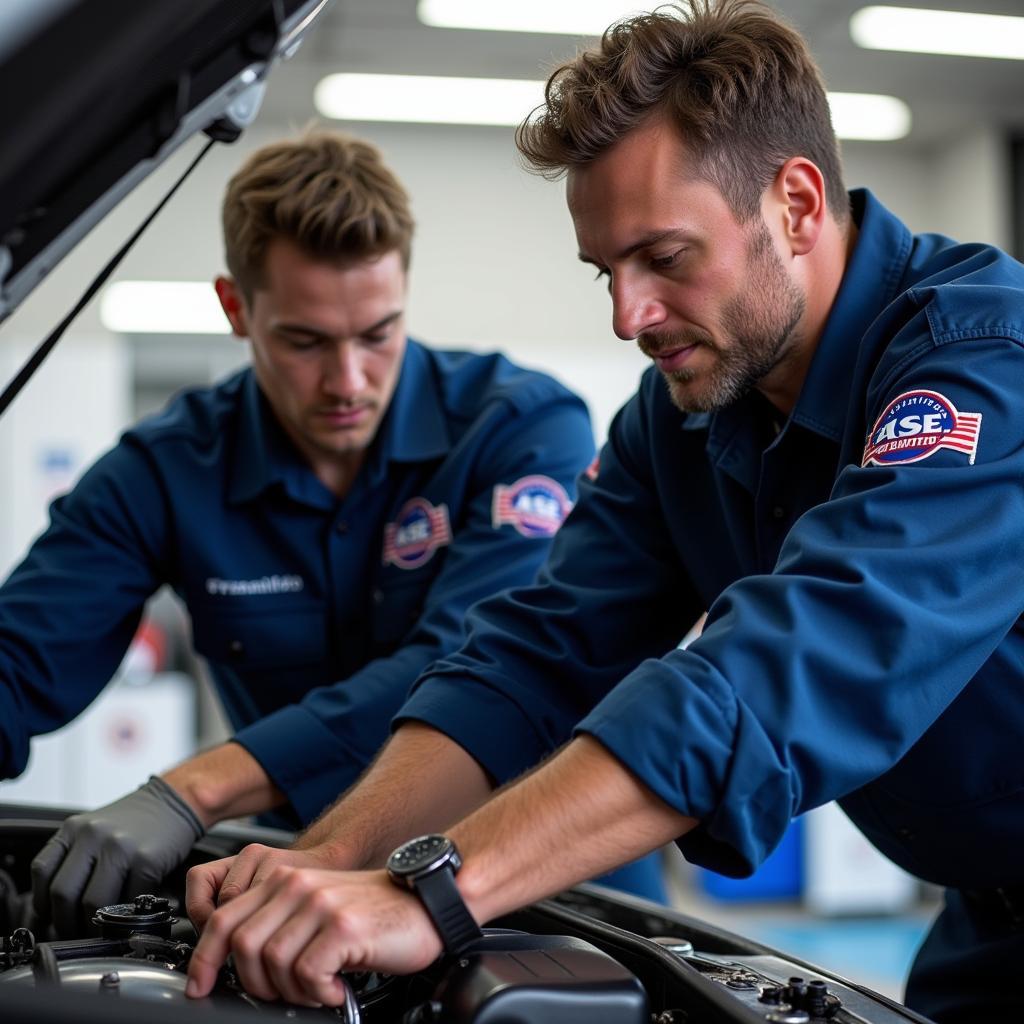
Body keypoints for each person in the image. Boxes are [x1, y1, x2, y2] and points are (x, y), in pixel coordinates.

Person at [182, 4, 1024, 1021]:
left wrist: (434, 894)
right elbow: (532, 656)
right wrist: (317, 868)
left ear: (795, 203)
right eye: (606, 272)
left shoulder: (979, 361)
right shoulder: (679, 421)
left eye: (664, 258)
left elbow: (807, 651)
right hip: (989, 922)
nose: (628, 316)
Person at [4, 129, 620, 936]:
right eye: (305, 342)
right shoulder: (167, 471)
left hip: (541, 890)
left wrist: (191, 790)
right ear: (236, 309)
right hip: (301, 882)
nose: (348, 381)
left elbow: (469, 664)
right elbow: (18, 662)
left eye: (377, 334)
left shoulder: (520, 430)